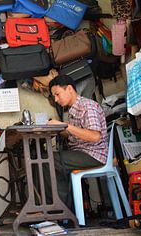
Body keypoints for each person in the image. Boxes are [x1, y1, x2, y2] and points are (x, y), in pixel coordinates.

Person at [45, 74, 108, 209]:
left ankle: (57, 210)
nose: (56, 100)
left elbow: (94, 136)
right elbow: (75, 134)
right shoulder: (73, 109)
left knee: (49, 160)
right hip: (82, 152)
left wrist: (66, 126)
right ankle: (61, 208)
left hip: (93, 154)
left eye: (57, 94)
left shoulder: (87, 106)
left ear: (69, 89)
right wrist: (58, 129)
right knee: (47, 158)